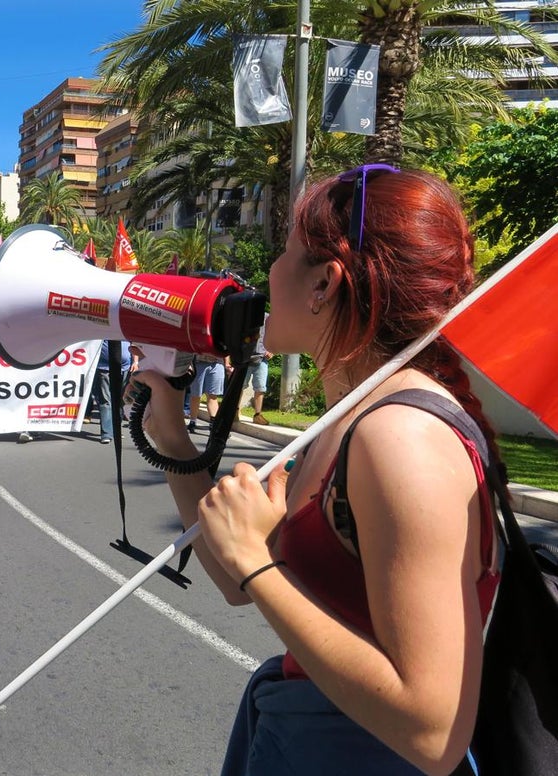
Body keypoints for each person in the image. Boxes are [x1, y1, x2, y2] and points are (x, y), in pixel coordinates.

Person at [129, 167, 503, 775]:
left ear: (324, 284)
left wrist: (257, 563)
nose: (267, 272)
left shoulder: (399, 437)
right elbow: (237, 582)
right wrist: (171, 432)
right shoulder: (349, 420)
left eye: (284, 252)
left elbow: (434, 732)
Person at [93, 340, 137, 444]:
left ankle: (116, 430)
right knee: (105, 400)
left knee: (121, 400)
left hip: (124, 368)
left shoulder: (125, 326)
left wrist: (136, 362)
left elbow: (134, 343)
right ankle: (106, 433)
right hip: (104, 367)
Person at [243, 314, 272, 426]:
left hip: (261, 357)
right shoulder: (246, 317)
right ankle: (235, 411)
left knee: (260, 387)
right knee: (240, 386)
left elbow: (275, 336)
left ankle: (257, 415)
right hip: (245, 357)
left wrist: (271, 350)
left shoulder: (268, 318)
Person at [187, 353, 227, 433]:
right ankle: (193, 421)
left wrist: (227, 363)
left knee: (213, 396)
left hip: (217, 363)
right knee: (196, 395)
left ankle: (213, 424)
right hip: (199, 362)